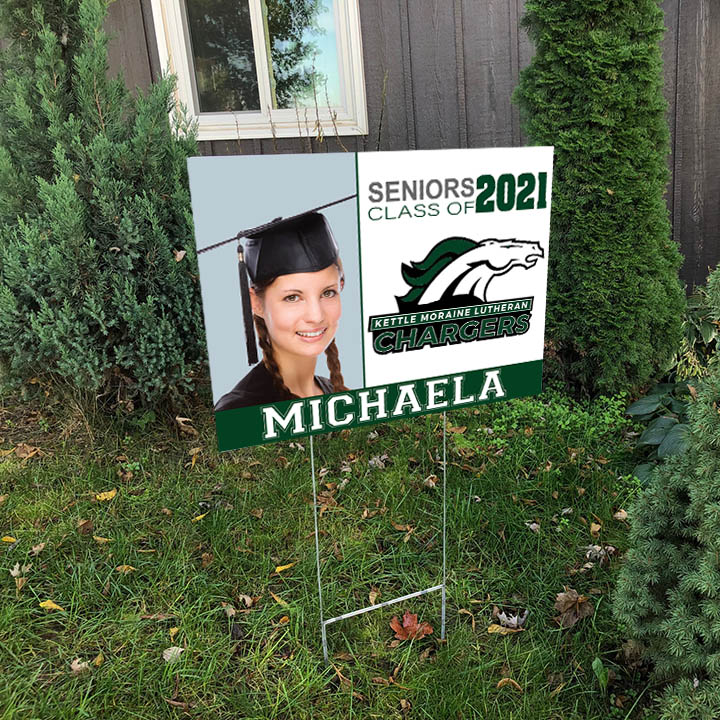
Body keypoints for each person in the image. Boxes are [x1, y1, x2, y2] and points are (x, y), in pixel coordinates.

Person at [214, 211, 347, 411]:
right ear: (256, 303)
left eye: (328, 293)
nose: (316, 316)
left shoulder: (340, 397)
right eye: (292, 297)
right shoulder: (239, 411)